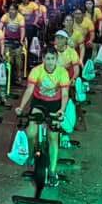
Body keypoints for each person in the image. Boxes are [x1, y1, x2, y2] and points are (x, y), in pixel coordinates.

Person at [15, 47, 71, 183]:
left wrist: (62, 110)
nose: (50, 62)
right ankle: (34, 152)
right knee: (31, 133)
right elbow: (29, 90)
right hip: (39, 102)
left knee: (53, 137)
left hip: (54, 104)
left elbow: (64, 94)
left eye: (52, 59)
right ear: (43, 59)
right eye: (47, 58)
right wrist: (21, 107)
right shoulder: (36, 71)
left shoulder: (62, 72)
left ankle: (52, 170)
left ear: (56, 59)